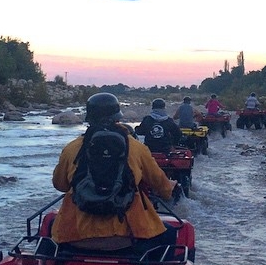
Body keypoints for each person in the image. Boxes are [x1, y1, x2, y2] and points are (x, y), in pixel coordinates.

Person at [51, 92, 181, 251]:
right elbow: (162, 186)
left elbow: (60, 185)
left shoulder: (72, 148)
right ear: (117, 118)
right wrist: (169, 188)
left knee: (49, 227)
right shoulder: (137, 148)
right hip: (128, 239)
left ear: (89, 119)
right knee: (171, 233)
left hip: (75, 237)